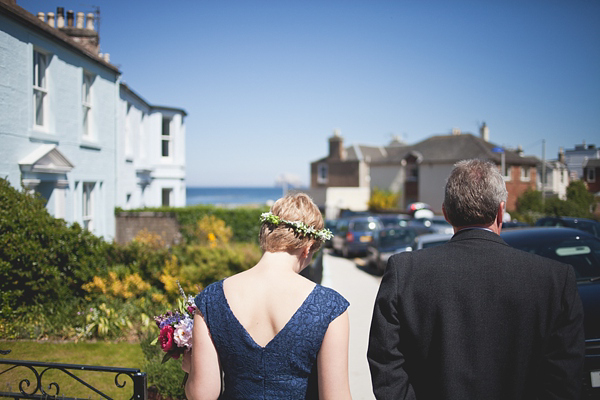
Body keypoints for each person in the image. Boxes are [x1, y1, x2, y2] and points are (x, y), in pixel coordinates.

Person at [368, 159, 584, 399]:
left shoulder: (405, 271)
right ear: (501, 211)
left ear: (446, 213)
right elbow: (564, 379)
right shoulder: (554, 279)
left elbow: (386, 365)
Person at [182, 193, 352, 400]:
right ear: (307, 249)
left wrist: (191, 369)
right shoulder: (329, 307)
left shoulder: (210, 299)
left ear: (266, 236)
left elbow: (202, 396)